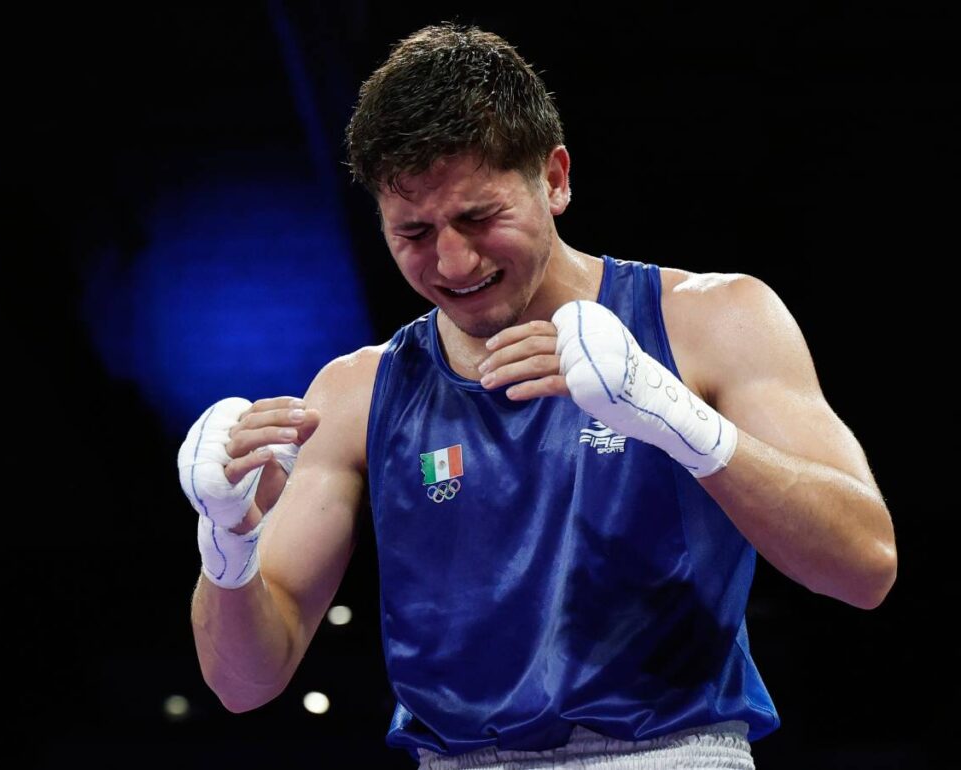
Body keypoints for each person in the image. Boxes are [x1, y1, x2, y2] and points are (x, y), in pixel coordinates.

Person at [178, 23, 897, 769]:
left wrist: (677, 418)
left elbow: (865, 566)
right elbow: (242, 684)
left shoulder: (713, 321)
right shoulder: (357, 392)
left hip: (667, 752)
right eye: (414, 231)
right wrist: (227, 541)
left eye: (479, 218)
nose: (452, 261)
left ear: (554, 179)